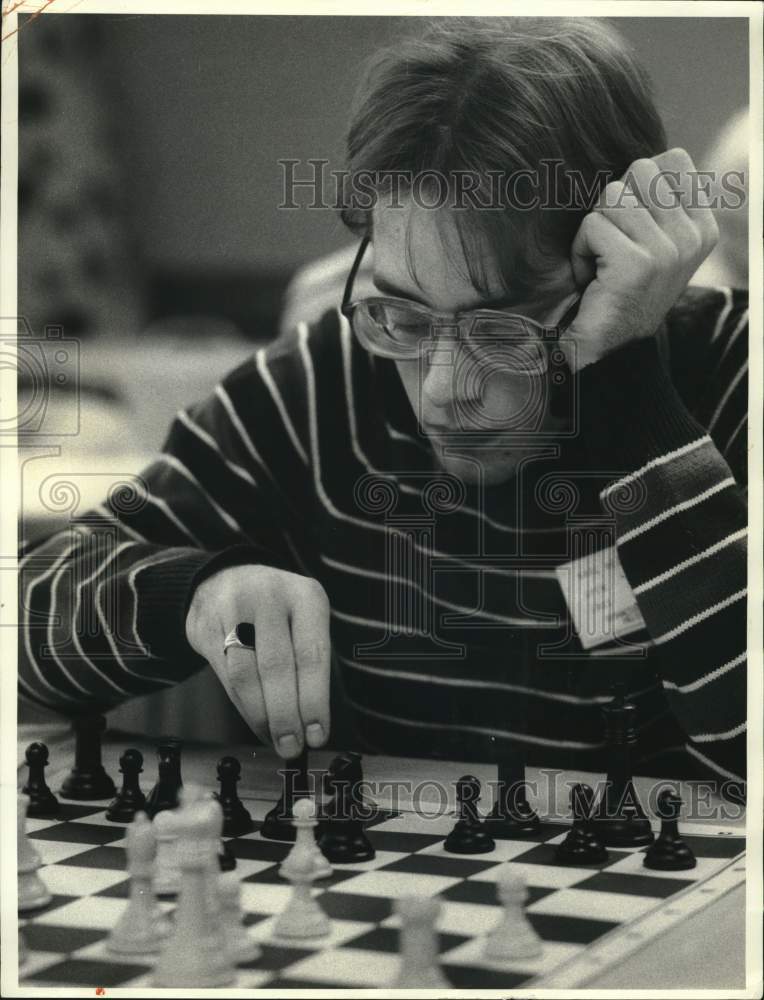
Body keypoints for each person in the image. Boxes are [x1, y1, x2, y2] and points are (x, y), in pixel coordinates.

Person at [20, 18, 747, 792]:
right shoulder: (321, 386)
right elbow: (28, 626)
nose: (440, 389)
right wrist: (188, 595)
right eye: (403, 314)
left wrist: (628, 376)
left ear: (608, 267)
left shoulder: (732, 377)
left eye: (502, 329)